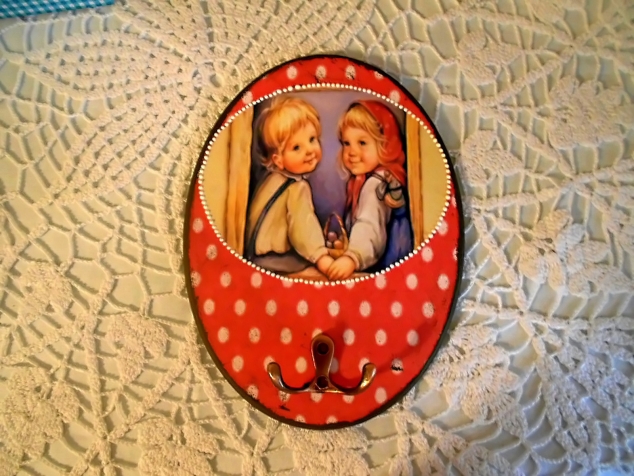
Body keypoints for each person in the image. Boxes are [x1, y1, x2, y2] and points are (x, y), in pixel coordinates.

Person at [245, 97, 334, 275]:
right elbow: (303, 228)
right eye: (296, 147)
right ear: (278, 160)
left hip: (255, 257)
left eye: (312, 139)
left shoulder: (271, 180)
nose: (309, 150)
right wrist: (321, 257)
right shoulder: (297, 187)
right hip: (280, 261)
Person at [327, 100, 413, 281]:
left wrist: (353, 258)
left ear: (385, 146)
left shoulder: (376, 183)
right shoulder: (368, 180)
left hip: (388, 270)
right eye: (346, 143)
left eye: (362, 142)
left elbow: (369, 225)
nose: (351, 152)